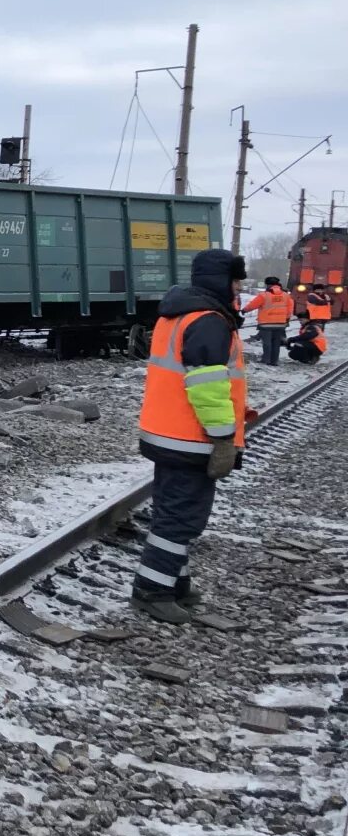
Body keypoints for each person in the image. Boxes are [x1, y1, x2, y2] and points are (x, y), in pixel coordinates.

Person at [134, 248, 248, 624]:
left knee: (172, 513)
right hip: (190, 437)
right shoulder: (210, 321)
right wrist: (223, 436)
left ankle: (174, 585)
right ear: (222, 280)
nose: (238, 288)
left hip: (166, 432)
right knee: (180, 518)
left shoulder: (178, 315)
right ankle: (152, 591)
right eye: (235, 280)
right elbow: (206, 387)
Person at [243, 275, 293, 366]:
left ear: (268, 285)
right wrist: (286, 319)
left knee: (267, 343)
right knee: (276, 343)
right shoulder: (286, 296)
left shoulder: (264, 295)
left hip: (266, 324)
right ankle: (274, 361)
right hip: (280, 324)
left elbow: (253, 305)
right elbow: (290, 309)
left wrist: (244, 310)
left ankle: (266, 359)